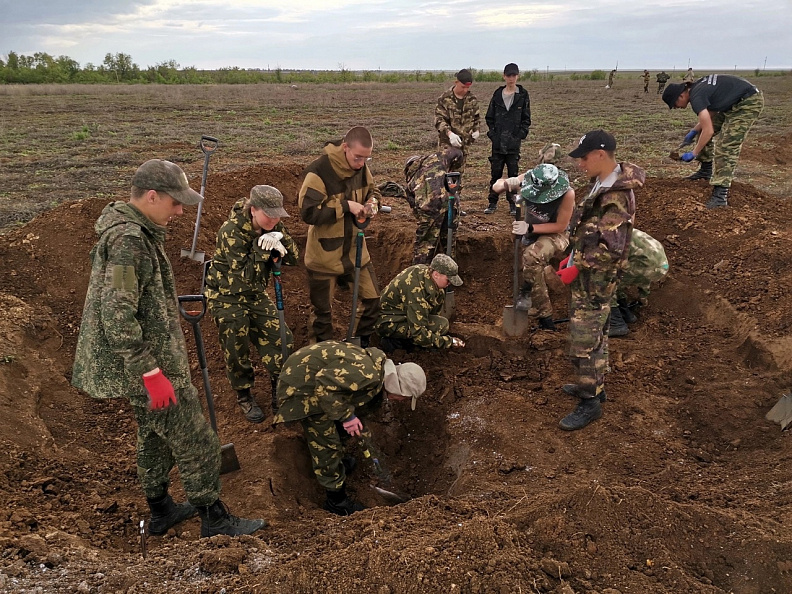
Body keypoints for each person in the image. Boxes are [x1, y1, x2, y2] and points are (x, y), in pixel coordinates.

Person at [72, 159, 265, 538]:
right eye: (175, 203)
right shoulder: (128, 241)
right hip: (152, 368)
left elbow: (129, 300)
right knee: (198, 440)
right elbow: (117, 315)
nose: (180, 211)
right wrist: (151, 374)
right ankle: (215, 518)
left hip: (148, 366)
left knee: (153, 438)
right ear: (152, 196)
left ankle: (161, 511)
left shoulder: (136, 233)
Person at [273, 341, 426, 515]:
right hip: (302, 387)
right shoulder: (368, 375)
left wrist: (362, 435)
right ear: (396, 385)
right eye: (404, 397)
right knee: (327, 444)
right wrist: (346, 417)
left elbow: (350, 397)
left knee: (342, 427)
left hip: (317, 383)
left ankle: (339, 462)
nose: (402, 401)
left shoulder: (377, 369)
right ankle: (336, 501)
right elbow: (324, 385)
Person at [556, 131, 645, 431]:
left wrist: (577, 265)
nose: (580, 163)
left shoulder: (617, 196)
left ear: (600, 154)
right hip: (589, 275)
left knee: (585, 338)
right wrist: (571, 255)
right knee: (597, 333)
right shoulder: (603, 184)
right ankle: (594, 386)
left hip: (596, 278)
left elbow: (611, 249)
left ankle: (589, 403)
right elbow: (590, 231)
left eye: (584, 157)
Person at [204, 185, 298, 423]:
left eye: (278, 215)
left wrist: (280, 239)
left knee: (281, 337)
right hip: (227, 295)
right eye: (269, 214)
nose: (274, 219)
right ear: (253, 209)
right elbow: (244, 276)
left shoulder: (274, 225)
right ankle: (243, 394)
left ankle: (280, 390)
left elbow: (294, 258)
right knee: (236, 341)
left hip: (254, 294)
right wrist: (259, 248)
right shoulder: (231, 231)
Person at [299, 126, 382, 346]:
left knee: (372, 300)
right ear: (345, 148)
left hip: (356, 250)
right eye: (358, 158)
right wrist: (345, 206)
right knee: (323, 314)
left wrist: (372, 205)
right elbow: (308, 212)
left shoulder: (362, 169)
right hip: (324, 256)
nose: (362, 163)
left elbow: (374, 191)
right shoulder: (319, 172)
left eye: (367, 158)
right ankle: (321, 356)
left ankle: (358, 346)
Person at [492, 156, 575, 331]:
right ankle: (534, 282)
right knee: (532, 263)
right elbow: (496, 186)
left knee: (532, 256)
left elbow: (560, 225)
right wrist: (507, 183)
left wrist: (529, 227)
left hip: (557, 233)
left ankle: (545, 316)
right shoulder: (529, 178)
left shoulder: (567, 193)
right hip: (530, 232)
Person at [663, 74, 763, 208]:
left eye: (674, 104)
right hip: (734, 101)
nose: (676, 108)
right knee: (702, 131)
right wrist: (694, 131)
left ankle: (720, 195)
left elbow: (709, 130)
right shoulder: (696, 88)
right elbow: (711, 112)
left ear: (680, 96)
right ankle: (706, 170)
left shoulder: (696, 97)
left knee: (726, 146)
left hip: (747, 102)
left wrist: (694, 153)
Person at [375, 253, 466, 353]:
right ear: (436, 274)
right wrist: (448, 342)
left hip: (404, 315)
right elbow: (418, 332)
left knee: (442, 324)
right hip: (388, 322)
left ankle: (418, 343)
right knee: (428, 331)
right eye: (448, 280)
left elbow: (430, 314)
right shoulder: (415, 291)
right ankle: (396, 343)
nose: (449, 284)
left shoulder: (427, 275)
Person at [484, 63, 531, 215]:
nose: (511, 78)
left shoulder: (523, 95)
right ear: (504, 76)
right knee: (495, 174)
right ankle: (492, 203)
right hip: (498, 143)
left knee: (513, 175)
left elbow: (526, 118)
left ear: (518, 76)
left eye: (514, 75)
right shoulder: (497, 95)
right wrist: (493, 134)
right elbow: (489, 117)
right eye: (508, 75)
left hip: (513, 144)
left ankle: (512, 204)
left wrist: (519, 135)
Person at [403, 148, 464, 264]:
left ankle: (421, 274)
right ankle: (448, 272)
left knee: (424, 246)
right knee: (449, 242)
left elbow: (416, 208)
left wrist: (426, 224)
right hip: (451, 202)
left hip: (429, 209)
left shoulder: (410, 183)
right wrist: (453, 169)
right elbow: (458, 153)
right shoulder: (437, 157)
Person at [607, 229, 669, 337]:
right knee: (618, 280)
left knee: (604, 285)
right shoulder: (620, 230)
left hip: (647, 266)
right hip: (661, 265)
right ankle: (626, 314)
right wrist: (643, 296)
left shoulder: (606, 239)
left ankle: (616, 324)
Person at [434, 68, 481, 174]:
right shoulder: (445, 99)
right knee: (444, 175)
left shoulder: (472, 99)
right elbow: (439, 120)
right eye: (463, 87)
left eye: (468, 87)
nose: (465, 90)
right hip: (447, 144)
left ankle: (456, 191)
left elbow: (476, 118)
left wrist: (476, 130)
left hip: (464, 145)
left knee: (457, 177)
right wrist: (449, 134)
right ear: (456, 82)